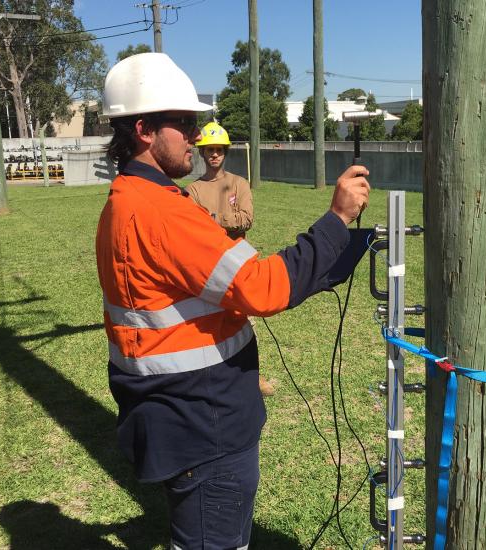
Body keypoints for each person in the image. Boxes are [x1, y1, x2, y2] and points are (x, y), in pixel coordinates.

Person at [96, 52, 369, 550]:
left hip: (183, 414)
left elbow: (222, 283)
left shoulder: (128, 199)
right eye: (184, 123)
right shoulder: (158, 211)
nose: (196, 136)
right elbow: (262, 287)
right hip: (204, 423)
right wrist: (336, 220)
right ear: (144, 130)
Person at [185, 122, 276, 397]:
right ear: (202, 153)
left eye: (219, 150)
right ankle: (213, 383)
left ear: (225, 152)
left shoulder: (239, 183)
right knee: (209, 326)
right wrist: (227, 221)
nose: (214, 154)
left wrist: (212, 218)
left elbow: (247, 219)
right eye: (209, 150)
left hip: (238, 265)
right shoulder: (193, 190)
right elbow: (194, 229)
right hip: (207, 266)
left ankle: (254, 378)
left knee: (244, 326)